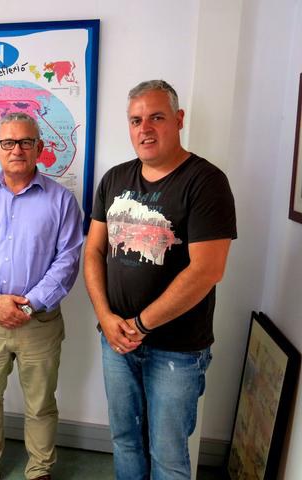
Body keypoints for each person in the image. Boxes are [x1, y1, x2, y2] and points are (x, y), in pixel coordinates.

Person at [83, 80, 237, 479]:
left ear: (179, 119)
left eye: (156, 117)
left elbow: (207, 270)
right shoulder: (114, 179)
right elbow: (93, 251)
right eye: (136, 120)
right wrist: (106, 318)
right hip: (116, 340)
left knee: (168, 454)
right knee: (125, 440)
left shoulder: (206, 182)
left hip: (177, 350)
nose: (145, 129)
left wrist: (140, 325)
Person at [0, 112, 84, 480]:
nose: (17, 150)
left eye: (26, 142)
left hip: (38, 321)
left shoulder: (62, 201)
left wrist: (31, 303)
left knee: (40, 403)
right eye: (8, 142)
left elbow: (68, 260)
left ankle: (39, 469)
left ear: (39, 148)